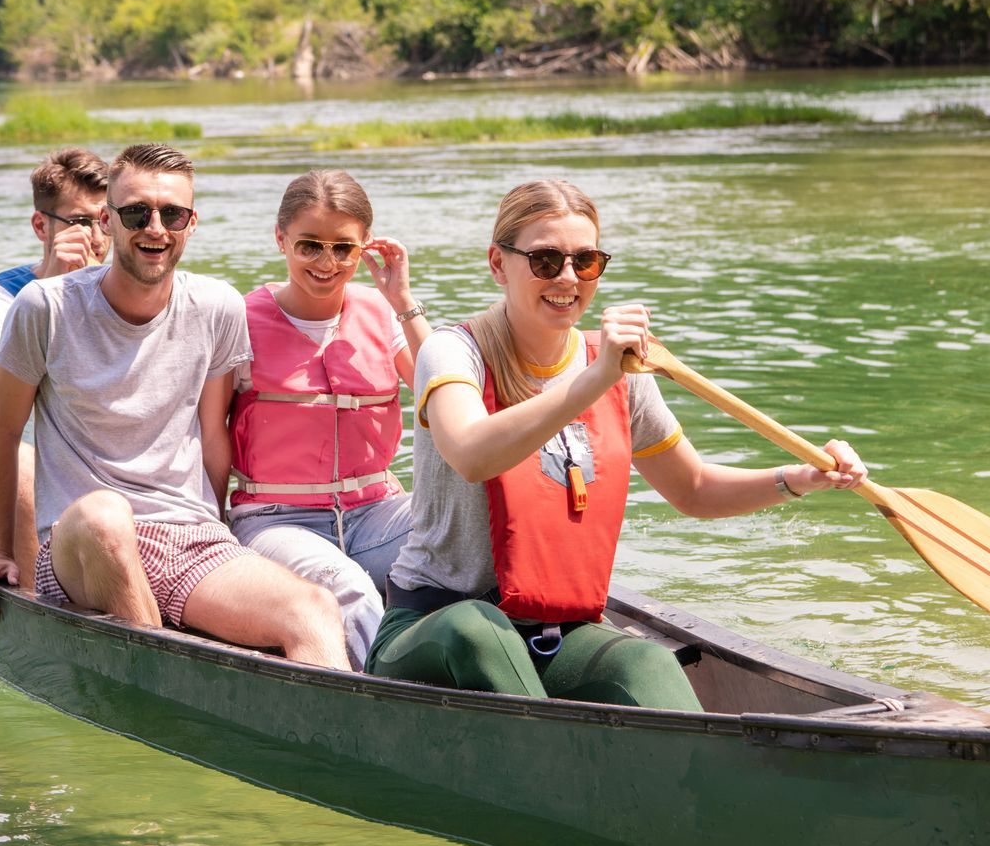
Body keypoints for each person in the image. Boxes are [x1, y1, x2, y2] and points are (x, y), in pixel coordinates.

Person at [368, 179, 869, 707]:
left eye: (585, 262)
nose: (567, 279)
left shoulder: (621, 371)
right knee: (477, 630)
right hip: (434, 627)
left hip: (551, 634)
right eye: (545, 261)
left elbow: (694, 489)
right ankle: (558, 762)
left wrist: (801, 478)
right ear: (498, 264)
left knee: (645, 659)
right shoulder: (452, 352)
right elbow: (471, 454)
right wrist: (595, 375)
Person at [0, 142, 350, 671]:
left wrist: (220, 530)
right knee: (106, 515)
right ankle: (164, 685)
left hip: (187, 536)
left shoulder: (218, 306)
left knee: (314, 609)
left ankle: (326, 747)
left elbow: (214, 438)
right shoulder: (44, 307)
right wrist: (1, 553)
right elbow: (4, 432)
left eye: (172, 214)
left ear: (192, 223)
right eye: (136, 212)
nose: (155, 228)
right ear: (108, 220)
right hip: (80, 543)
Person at [225, 170, 428, 669]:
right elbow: (207, 435)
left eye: (343, 248)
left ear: (365, 249)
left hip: (377, 513)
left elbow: (445, 395)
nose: (326, 262)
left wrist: (402, 300)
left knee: (471, 533)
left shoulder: (382, 313)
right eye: (309, 246)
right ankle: (388, 703)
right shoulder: (237, 319)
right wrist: (212, 532)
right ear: (281, 239)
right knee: (350, 589)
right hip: (276, 522)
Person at [0, 147, 110, 556]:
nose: (96, 237)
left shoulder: (129, 295)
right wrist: (52, 290)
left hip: (99, 485)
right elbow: (8, 388)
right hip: (3, 493)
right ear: (41, 225)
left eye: (105, 221)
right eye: (80, 222)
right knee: (22, 463)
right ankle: (33, 597)